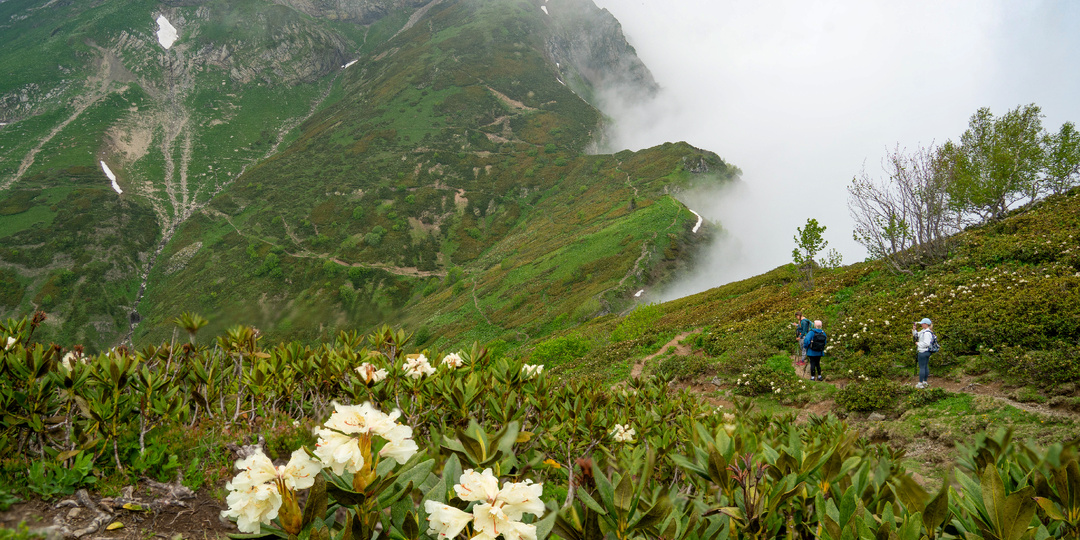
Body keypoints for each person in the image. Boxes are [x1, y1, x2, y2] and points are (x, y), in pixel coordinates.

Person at [912, 318, 935, 388]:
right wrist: (914, 330)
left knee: (922, 367)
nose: (921, 324)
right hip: (926, 352)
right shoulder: (924, 331)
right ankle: (925, 382)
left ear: (926, 324)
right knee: (925, 366)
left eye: (922, 323)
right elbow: (916, 335)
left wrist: (918, 344)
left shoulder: (927, 333)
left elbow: (927, 343)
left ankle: (920, 383)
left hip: (923, 351)